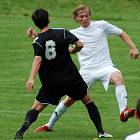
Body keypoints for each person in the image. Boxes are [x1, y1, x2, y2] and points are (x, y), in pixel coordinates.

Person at [27, 4, 139, 134]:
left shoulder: (102, 25)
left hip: (105, 67)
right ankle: (49, 125)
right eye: (81, 16)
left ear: (90, 16)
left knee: (118, 77)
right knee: (69, 100)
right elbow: (50, 43)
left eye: (87, 16)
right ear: (76, 18)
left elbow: (121, 33)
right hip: (86, 72)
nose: (85, 18)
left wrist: (133, 47)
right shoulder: (73, 33)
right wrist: (36, 36)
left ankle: (123, 111)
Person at [14, 8, 111, 139]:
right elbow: (80, 44)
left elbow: (38, 58)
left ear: (36, 24)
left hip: (51, 82)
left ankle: (22, 129)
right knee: (88, 101)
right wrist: (74, 50)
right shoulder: (62, 32)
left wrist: (31, 78)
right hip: (71, 78)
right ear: (48, 19)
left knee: (36, 107)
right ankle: (100, 132)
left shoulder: (37, 41)